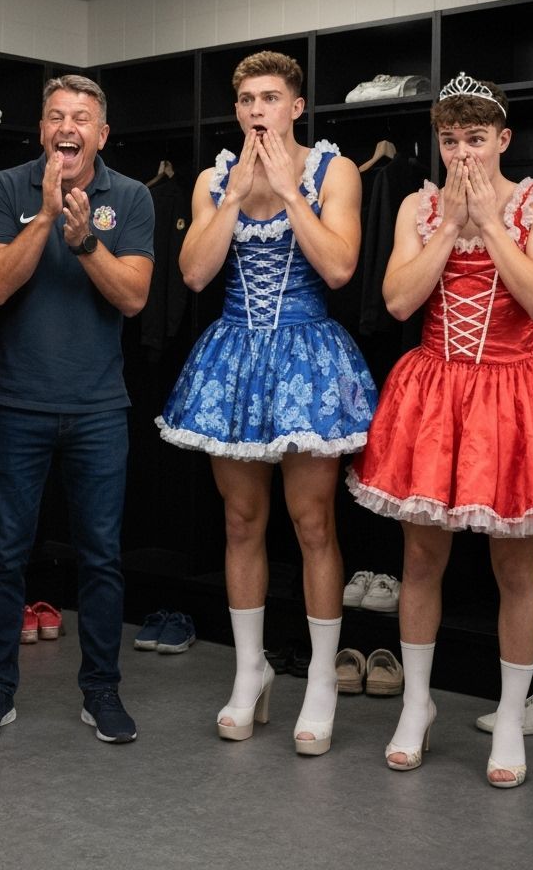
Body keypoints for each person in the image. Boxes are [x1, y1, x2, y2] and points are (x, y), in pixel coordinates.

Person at [348, 73, 533, 788]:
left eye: (475, 139)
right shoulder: (420, 207)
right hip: (433, 392)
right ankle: (417, 704)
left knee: (516, 567)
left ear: (503, 141)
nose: (461, 154)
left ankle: (512, 714)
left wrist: (487, 223)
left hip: (513, 394)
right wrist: (451, 223)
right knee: (420, 561)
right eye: (450, 140)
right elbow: (396, 301)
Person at [158, 51, 376, 755]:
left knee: (313, 523)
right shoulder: (211, 177)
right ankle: (250, 670)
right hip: (236, 356)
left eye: (271, 97)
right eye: (248, 98)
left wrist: (287, 192)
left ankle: (318, 678)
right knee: (241, 520)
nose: (258, 109)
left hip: (308, 354)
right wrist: (231, 198)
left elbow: (341, 267)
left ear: (296, 106)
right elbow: (193, 273)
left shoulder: (333, 170)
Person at [0, 74, 153, 745]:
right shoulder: (4, 189)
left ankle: (101, 690)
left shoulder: (129, 197)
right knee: (5, 556)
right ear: (40, 130)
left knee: (101, 558)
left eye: (81, 117)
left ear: (102, 133)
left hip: (99, 408)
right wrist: (45, 218)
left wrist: (86, 243)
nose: (66, 127)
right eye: (54, 116)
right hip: (17, 405)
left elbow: (133, 298)